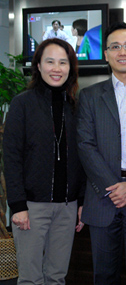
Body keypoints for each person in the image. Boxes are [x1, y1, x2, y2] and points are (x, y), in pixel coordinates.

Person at [3, 38, 86, 284]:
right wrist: (17, 205)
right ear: (38, 66)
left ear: (70, 67)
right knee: (30, 278)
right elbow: (11, 155)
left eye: (63, 62)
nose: (56, 68)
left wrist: (81, 201)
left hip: (67, 207)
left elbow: (82, 157)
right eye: (50, 61)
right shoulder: (22, 103)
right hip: (31, 206)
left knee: (57, 276)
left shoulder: (75, 106)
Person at [76, 22, 126, 285]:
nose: (122, 52)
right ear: (105, 54)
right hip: (102, 197)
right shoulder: (89, 96)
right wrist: (114, 187)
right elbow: (85, 145)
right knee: (103, 275)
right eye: (115, 47)